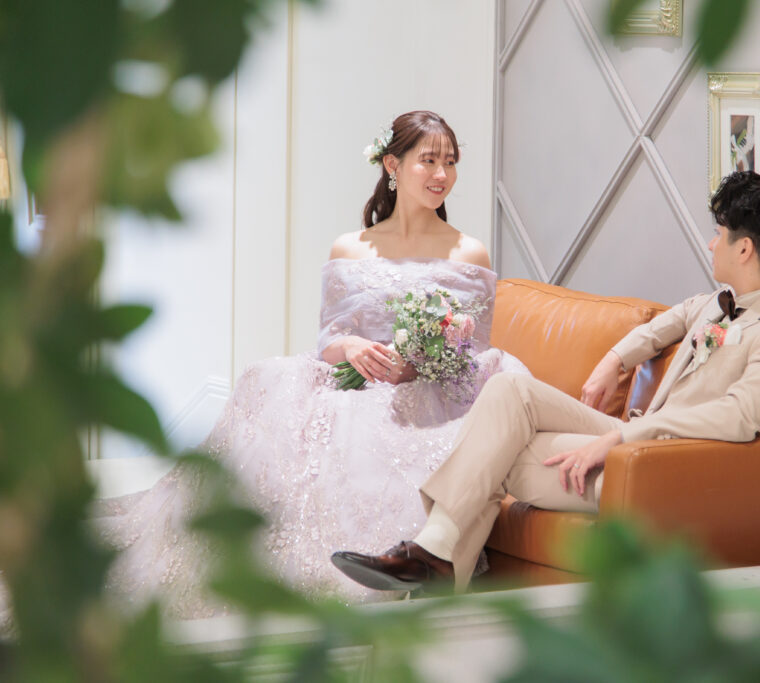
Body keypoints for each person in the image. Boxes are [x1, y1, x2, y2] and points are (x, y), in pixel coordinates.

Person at [94, 111, 528, 617]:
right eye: (428, 161)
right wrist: (354, 349)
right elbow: (331, 338)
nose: (442, 174)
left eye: (450, 162)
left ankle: (388, 571)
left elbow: (471, 351)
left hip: (431, 395)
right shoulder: (351, 247)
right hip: (359, 381)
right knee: (268, 382)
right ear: (392, 165)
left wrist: (420, 364)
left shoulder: (469, 252)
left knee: (365, 436)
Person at [332, 170, 760, 593]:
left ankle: (434, 564)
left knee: (497, 453)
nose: (710, 242)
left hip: (672, 468)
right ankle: (434, 557)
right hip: (644, 446)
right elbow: (673, 320)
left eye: (718, 233)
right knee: (508, 391)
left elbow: (739, 416)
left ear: (744, 249)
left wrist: (620, 438)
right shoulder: (727, 299)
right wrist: (613, 360)